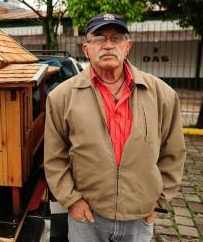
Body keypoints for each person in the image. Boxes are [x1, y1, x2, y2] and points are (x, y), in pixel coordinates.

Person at [44, 13, 186, 242]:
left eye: (116, 38)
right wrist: (72, 201)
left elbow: (174, 153)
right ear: (87, 48)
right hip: (87, 217)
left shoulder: (163, 95)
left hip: (139, 219)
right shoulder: (61, 97)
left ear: (127, 46)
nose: (108, 44)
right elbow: (54, 157)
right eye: (99, 38)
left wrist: (159, 201)